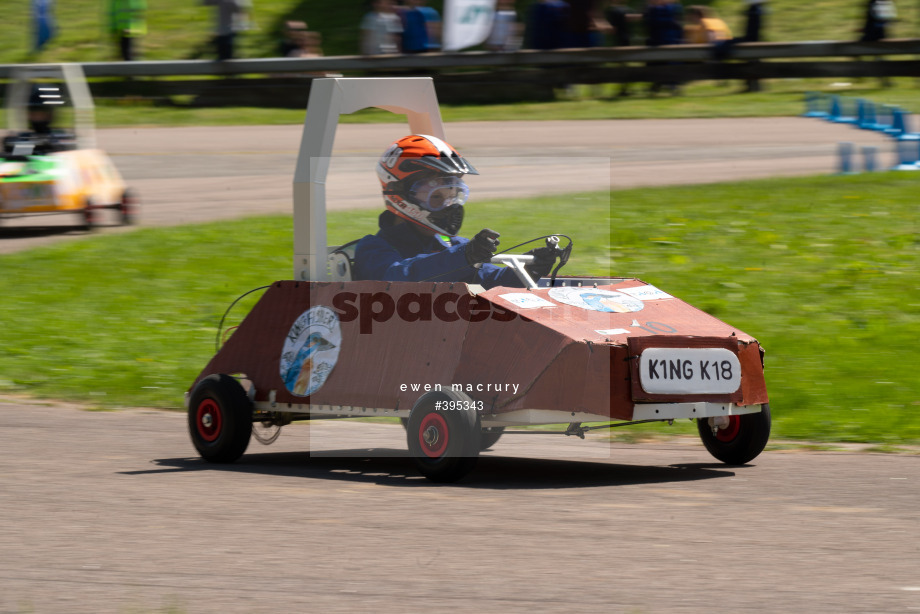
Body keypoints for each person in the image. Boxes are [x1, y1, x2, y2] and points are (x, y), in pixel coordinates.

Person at [352, 134, 557, 289]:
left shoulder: (453, 245)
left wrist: (531, 269)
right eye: (436, 197)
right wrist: (462, 257)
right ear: (402, 195)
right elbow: (399, 279)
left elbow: (493, 283)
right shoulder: (372, 248)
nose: (448, 206)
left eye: (452, 197)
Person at [2, 84, 76, 156]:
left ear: (50, 113)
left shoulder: (61, 139)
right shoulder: (24, 139)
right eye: (32, 110)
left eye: (39, 110)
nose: (35, 115)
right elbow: (16, 157)